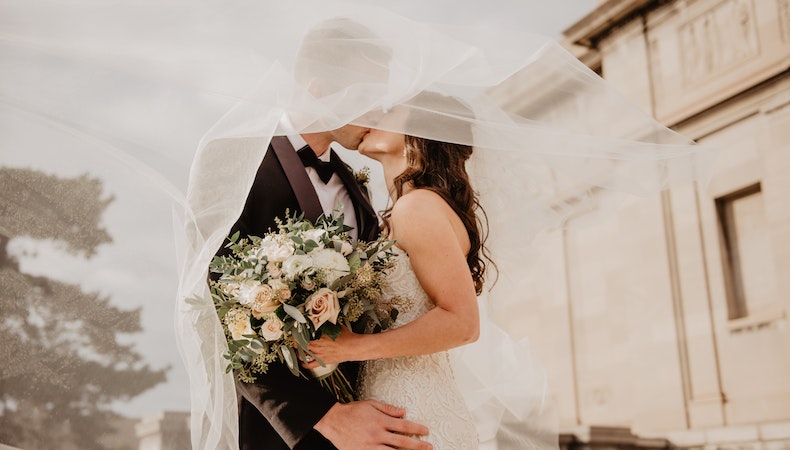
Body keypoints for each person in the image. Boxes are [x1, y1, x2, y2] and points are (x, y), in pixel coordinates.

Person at [213, 19, 433, 450]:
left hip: (373, 415)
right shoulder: (234, 161)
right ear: (318, 88)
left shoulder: (356, 184)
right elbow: (217, 310)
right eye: (366, 95)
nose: (376, 112)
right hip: (283, 433)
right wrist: (324, 418)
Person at [304, 102, 486, 448]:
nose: (370, 115)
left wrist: (352, 347)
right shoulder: (399, 211)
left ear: (418, 133)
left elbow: (463, 323)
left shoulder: (417, 207)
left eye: (387, 112)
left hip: (413, 409)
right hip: (388, 406)